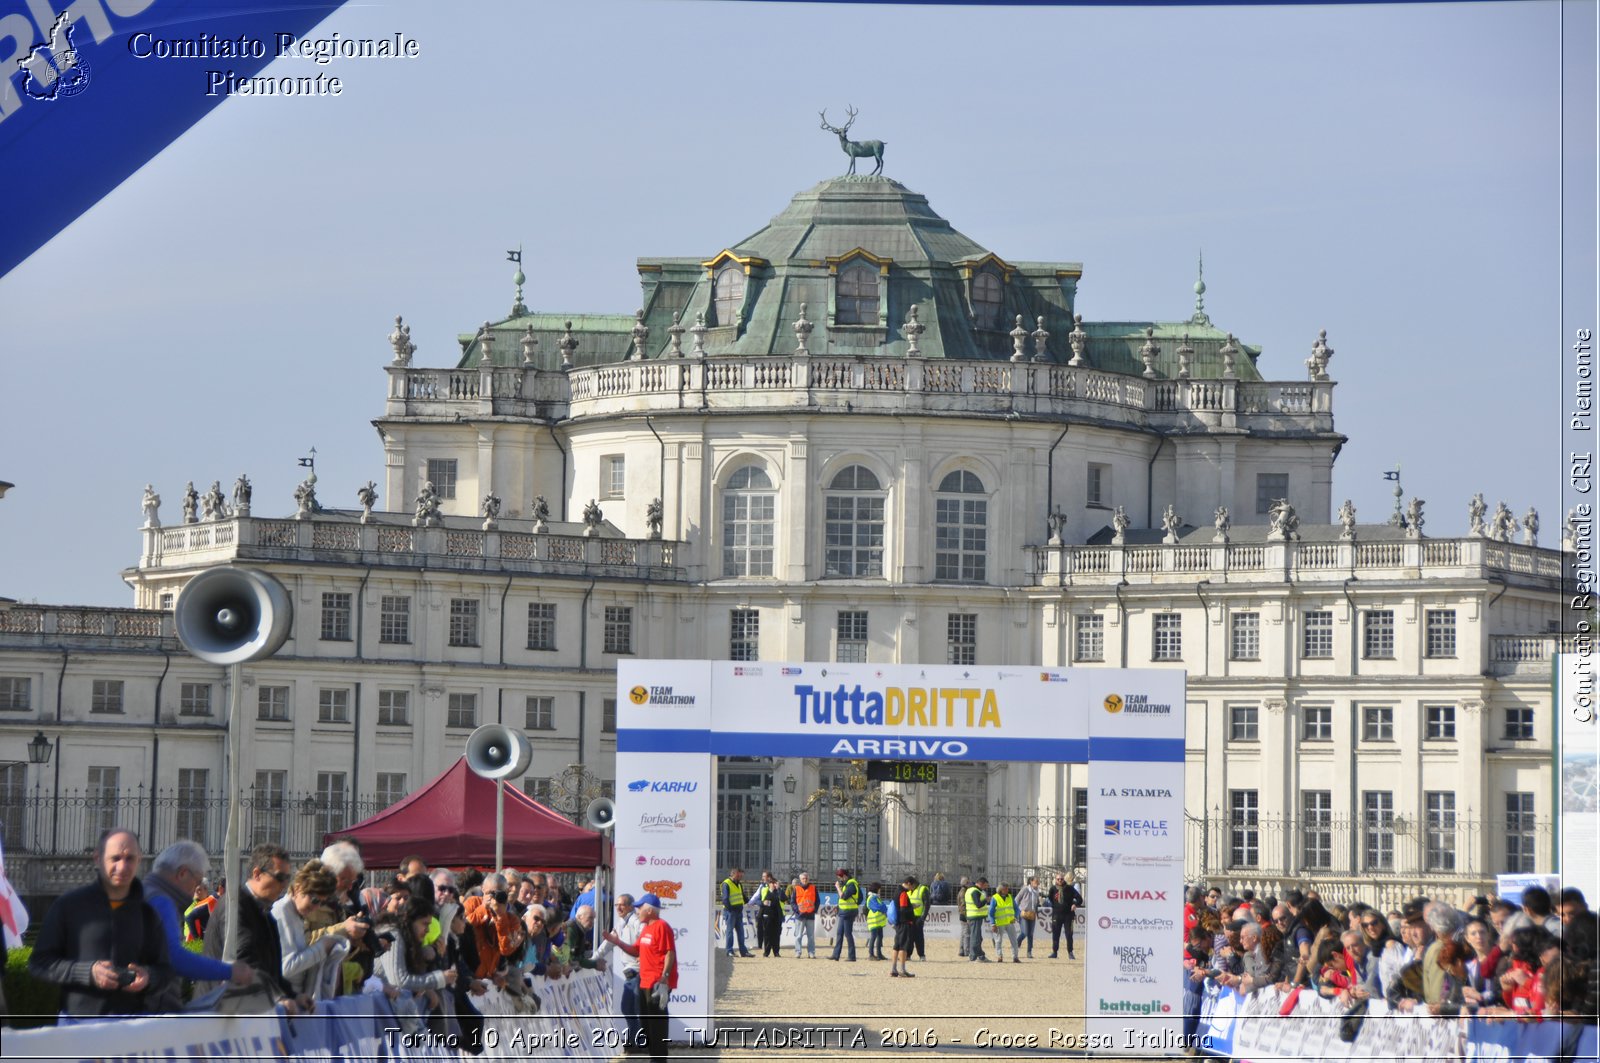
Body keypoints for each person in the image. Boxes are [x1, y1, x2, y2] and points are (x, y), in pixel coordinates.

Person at [29, 828, 174, 1018]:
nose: (122, 867)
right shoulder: (69, 906)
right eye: (115, 858)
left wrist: (149, 977)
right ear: (97, 859)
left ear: (139, 859)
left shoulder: (148, 914)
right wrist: (88, 972)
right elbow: (39, 963)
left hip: (131, 1026)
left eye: (129, 858)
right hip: (78, 1025)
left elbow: (165, 971)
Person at [143, 840, 253, 1010]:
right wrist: (230, 971)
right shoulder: (162, 901)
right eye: (197, 882)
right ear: (183, 874)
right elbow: (174, 957)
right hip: (155, 1009)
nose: (196, 889)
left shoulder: (144, 892)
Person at [275, 860, 366, 1002]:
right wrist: (323, 945)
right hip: (283, 1003)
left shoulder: (296, 914)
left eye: (322, 902)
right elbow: (287, 967)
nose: (316, 908)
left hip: (296, 1000)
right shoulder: (282, 913)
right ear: (298, 888)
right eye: (315, 901)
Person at [608, 894, 675, 1063]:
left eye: (640, 908)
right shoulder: (646, 928)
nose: (637, 911)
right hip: (644, 980)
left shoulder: (662, 926)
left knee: (657, 1023)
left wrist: (664, 977)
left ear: (650, 910)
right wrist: (617, 942)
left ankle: (659, 1059)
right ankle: (654, 1056)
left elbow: (669, 952)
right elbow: (635, 951)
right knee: (646, 1023)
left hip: (657, 982)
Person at [379, 898, 458, 1033]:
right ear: (410, 921)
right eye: (425, 924)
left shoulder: (407, 938)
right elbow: (399, 980)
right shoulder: (394, 935)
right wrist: (438, 979)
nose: (427, 930)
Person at [599, 894, 644, 1054]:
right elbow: (609, 942)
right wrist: (595, 957)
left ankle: (639, 1042)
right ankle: (636, 1040)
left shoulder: (636, 921)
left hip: (638, 971)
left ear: (631, 906)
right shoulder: (621, 922)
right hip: (631, 972)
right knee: (628, 1008)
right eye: (617, 904)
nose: (618, 907)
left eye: (622, 905)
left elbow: (644, 940)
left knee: (634, 1008)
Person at [463, 873, 524, 982]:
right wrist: (483, 909)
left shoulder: (512, 918)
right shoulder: (472, 903)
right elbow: (463, 928)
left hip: (487, 977)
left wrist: (501, 917)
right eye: (491, 893)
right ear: (482, 889)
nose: (495, 898)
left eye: (500, 893)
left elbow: (506, 949)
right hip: (469, 973)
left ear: (506, 893)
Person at [1048, 872, 1082, 959]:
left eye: (1061, 879)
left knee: (1069, 934)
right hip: (1056, 915)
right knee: (1055, 934)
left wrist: (1075, 904)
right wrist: (1056, 907)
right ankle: (1054, 952)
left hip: (1068, 916)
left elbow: (1079, 899)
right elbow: (1050, 899)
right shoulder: (1052, 889)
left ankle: (1070, 952)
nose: (1060, 880)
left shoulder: (1069, 888)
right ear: (1055, 880)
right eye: (1058, 879)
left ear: (1064, 879)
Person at [889, 876, 917, 979]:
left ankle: (893, 969)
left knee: (896, 946)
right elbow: (903, 909)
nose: (912, 888)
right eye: (913, 885)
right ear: (909, 883)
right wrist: (912, 907)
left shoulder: (897, 891)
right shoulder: (903, 893)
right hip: (904, 923)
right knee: (903, 947)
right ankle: (902, 970)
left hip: (898, 923)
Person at [720, 868, 752, 957]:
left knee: (741, 933)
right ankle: (729, 951)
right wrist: (730, 909)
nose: (740, 877)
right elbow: (725, 899)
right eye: (739, 876)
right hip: (730, 912)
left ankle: (743, 952)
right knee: (730, 932)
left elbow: (742, 896)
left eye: (741, 876)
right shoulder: (726, 884)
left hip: (738, 911)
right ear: (733, 874)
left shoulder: (739, 884)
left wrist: (750, 902)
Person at [831, 868, 860, 961]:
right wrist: (838, 907)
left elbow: (844, 896)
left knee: (848, 934)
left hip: (849, 912)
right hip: (843, 912)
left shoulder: (851, 884)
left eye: (840, 877)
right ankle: (836, 955)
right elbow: (842, 899)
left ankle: (852, 956)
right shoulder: (846, 884)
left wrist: (838, 888)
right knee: (839, 933)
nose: (839, 879)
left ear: (844, 876)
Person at [989, 881, 1022, 963]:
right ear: (1001, 890)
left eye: (1008, 888)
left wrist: (1015, 916)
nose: (1008, 890)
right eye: (1006, 889)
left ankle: (1015, 957)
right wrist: (993, 924)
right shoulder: (995, 898)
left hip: (1010, 922)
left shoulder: (1010, 897)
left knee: (1014, 940)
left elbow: (1017, 909)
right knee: (998, 941)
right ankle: (999, 957)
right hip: (999, 923)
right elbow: (991, 912)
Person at [756, 872, 786, 957]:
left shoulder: (779, 890)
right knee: (767, 934)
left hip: (777, 915)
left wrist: (779, 889)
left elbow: (784, 899)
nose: (773, 884)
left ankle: (776, 952)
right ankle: (766, 952)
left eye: (774, 883)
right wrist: (763, 902)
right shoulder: (763, 888)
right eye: (772, 883)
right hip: (767, 914)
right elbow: (759, 900)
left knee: (776, 934)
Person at [790, 871, 818, 958]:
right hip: (800, 916)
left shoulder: (813, 888)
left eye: (806, 878)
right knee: (798, 935)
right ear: (800, 880)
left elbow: (817, 901)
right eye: (803, 878)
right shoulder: (796, 889)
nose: (805, 880)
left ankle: (811, 952)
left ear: (808, 879)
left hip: (810, 916)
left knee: (811, 936)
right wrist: (797, 911)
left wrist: (814, 910)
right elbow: (793, 902)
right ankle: (798, 952)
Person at [963, 876, 991, 962]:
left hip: (974, 916)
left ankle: (978, 956)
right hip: (975, 916)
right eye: (985, 885)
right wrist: (986, 900)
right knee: (976, 938)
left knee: (977, 937)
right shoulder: (975, 891)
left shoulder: (971, 890)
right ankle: (975, 956)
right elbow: (978, 904)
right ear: (981, 884)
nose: (986, 887)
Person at [1016, 875, 1041, 959]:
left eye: (1038, 881)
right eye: (1036, 881)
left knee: (1030, 934)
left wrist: (1037, 912)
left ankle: (1029, 952)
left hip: (1032, 914)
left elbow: (1036, 903)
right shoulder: (1025, 889)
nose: (1037, 883)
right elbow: (1016, 899)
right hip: (1024, 913)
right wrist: (1018, 911)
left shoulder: (1037, 891)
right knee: (1025, 932)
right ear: (1031, 881)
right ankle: (1017, 942)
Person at [864, 883, 888, 960]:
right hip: (874, 921)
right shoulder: (872, 898)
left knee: (880, 937)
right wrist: (884, 908)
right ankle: (871, 954)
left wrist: (883, 907)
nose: (880, 890)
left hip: (878, 921)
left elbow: (881, 906)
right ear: (876, 889)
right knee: (873, 937)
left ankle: (879, 954)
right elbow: (879, 907)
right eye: (879, 889)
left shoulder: (876, 897)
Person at [907, 875, 928, 961]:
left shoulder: (923, 889)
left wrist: (923, 917)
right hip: (909, 917)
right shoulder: (908, 890)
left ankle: (921, 955)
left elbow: (927, 904)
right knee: (909, 937)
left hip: (918, 917)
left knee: (919, 937)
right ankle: (908, 955)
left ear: (913, 884)